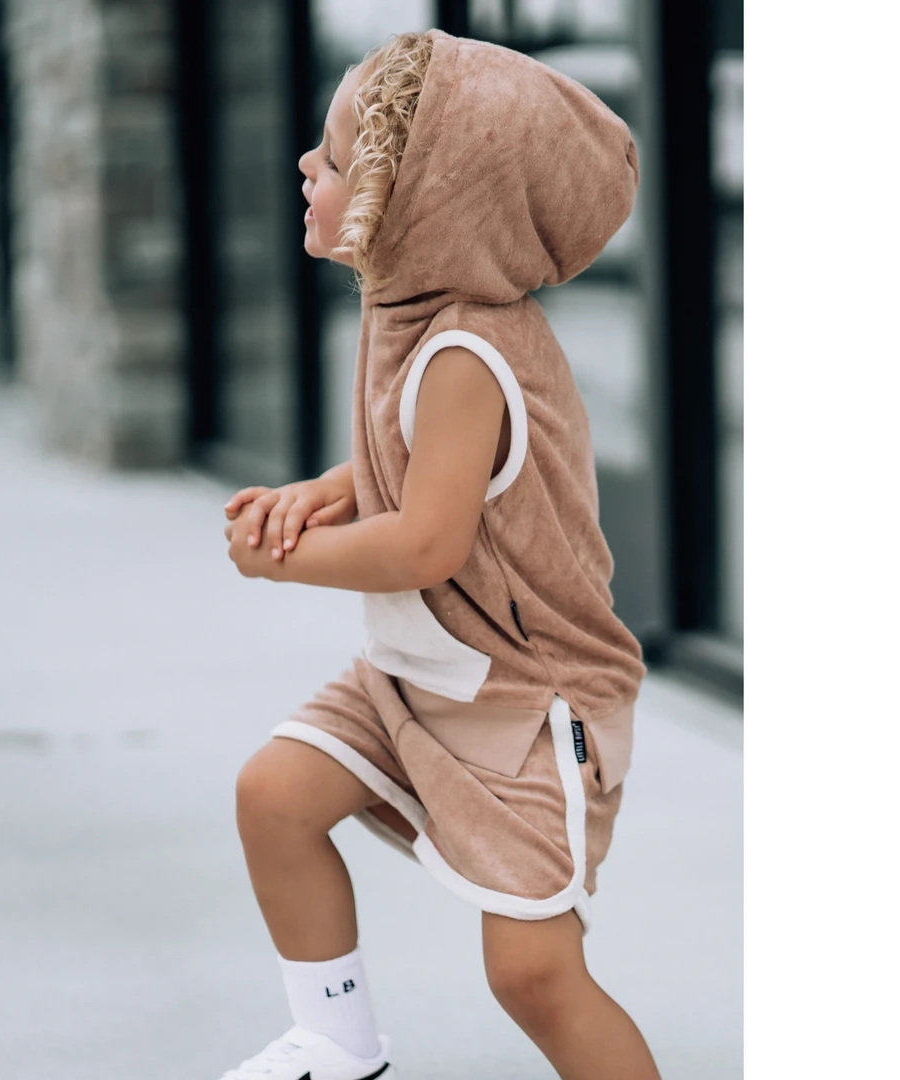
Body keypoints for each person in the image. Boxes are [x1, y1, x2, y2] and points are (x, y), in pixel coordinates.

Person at [219, 29, 661, 1080]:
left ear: (412, 211)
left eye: (335, 160)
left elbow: (424, 541)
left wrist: (281, 562)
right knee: (276, 795)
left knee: (534, 974)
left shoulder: (465, 350)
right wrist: (324, 493)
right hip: (422, 675)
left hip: (526, 704)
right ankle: (336, 1039)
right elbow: (416, 462)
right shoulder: (410, 312)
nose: (307, 166)